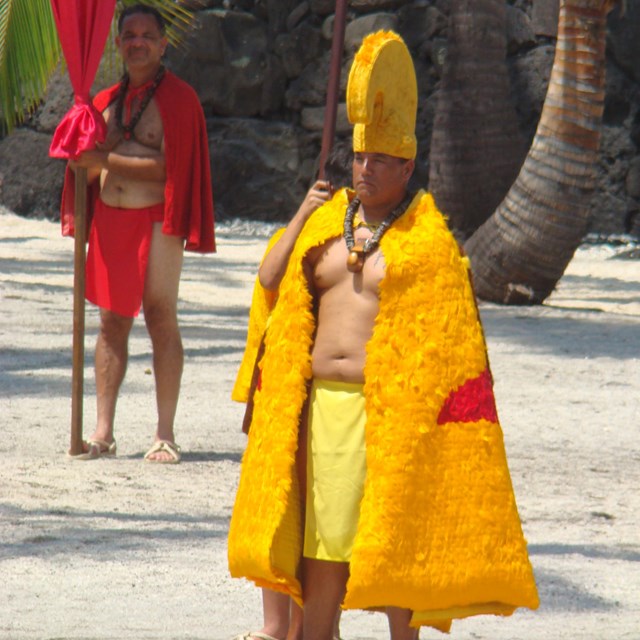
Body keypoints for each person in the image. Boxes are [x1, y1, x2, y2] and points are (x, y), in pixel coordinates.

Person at [228, 31, 539, 639]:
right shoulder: (323, 222)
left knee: (395, 539)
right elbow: (272, 283)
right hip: (319, 408)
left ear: (407, 167)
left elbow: (452, 345)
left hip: (390, 413)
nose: (365, 169)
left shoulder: (428, 243)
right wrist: (301, 211)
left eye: (379, 161)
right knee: (320, 547)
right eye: (359, 157)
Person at [61, 3, 215, 463]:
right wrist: (79, 155)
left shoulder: (180, 100)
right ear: (117, 42)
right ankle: (103, 433)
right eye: (129, 34)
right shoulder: (103, 101)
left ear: (163, 43)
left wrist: (104, 160)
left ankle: (164, 433)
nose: (138, 42)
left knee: (159, 315)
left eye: (148, 35)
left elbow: (171, 167)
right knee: (111, 322)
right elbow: (82, 163)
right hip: (110, 218)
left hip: (156, 220)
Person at [231, 148, 352, 640]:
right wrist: (303, 215)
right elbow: (268, 278)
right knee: (280, 506)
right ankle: (274, 627)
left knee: (318, 520)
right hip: (282, 387)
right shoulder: (300, 234)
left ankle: (314, 628)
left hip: (328, 397)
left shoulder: (358, 243)